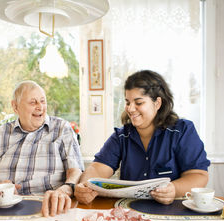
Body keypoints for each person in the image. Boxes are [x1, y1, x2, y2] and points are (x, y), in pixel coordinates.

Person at [75, 70, 210, 205]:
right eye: (128, 102)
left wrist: (174, 189)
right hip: (130, 211)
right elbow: (97, 168)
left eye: (138, 103)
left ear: (157, 103)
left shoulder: (182, 130)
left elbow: (199, 175)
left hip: (172, 211)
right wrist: (84, 185)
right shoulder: (121, 136)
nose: (131, 109)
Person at [0, 80, 84, 217]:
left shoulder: (62, 129)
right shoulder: (0, 134)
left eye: (43, 101)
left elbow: (76, 171)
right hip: (3, 210)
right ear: (15, 106)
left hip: (47, 209)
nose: (40, 107)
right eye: (33, 102)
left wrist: (65, 189)